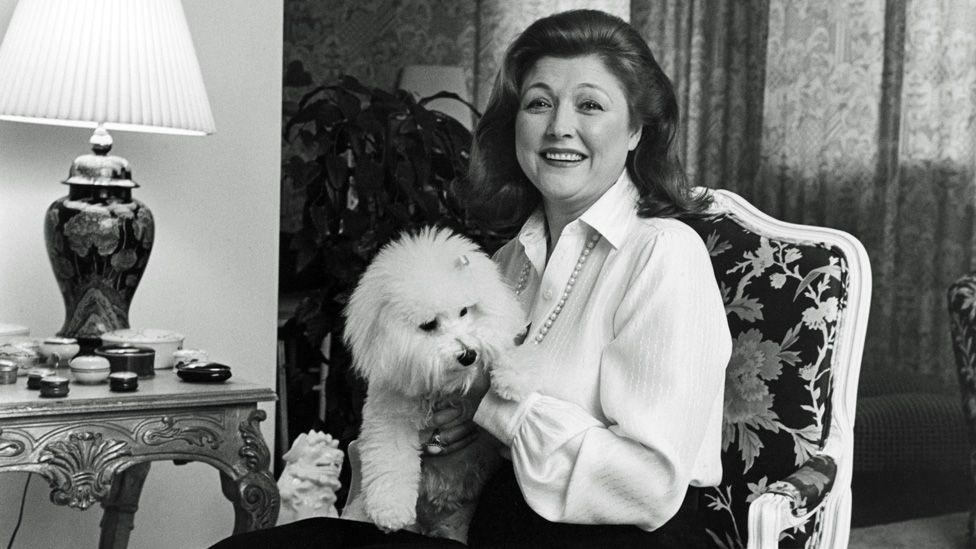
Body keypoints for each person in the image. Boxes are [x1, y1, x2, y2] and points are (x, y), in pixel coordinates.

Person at [211, 8, 730, 549]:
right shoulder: (505, 262)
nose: (559, 127)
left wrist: (491, 403)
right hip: (484, 524)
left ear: (635, 132)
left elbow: (647, 486)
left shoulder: (664, 255)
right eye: (539, 103)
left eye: (590, 105)